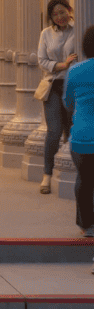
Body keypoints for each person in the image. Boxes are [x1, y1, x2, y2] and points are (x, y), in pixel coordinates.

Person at [37, 0, 76, 194]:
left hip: (73, 85)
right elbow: (42, 60)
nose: (59, 17)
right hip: (52, 86)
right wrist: (62, 65)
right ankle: (47, 175)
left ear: (69, 10)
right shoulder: (46, 34)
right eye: (55, 14)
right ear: (51, 17)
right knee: (53, 132)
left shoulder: (77, 29)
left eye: (62, 12)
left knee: (71, 129)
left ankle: (71, 172)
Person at [63, 25, 94, 236]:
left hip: (81, 137)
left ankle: (87, 226)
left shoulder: (75, 70)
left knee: (84, 179)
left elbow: (67, 101)